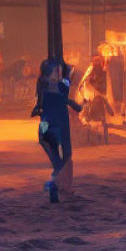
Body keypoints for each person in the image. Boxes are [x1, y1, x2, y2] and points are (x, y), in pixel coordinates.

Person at [31, 58, 81, 203]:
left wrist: (66, 74)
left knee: (61, 160)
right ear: (48, 74)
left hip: (55, 124)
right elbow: (59, 97)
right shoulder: (46, 86)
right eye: (54, 71)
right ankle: (54, 183)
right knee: (56, 159)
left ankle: (55, 184)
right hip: (50, 125)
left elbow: (68, 80)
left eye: (57, 71)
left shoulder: (54, 85)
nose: (56, 74)